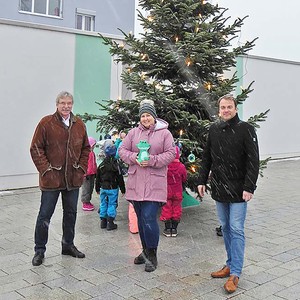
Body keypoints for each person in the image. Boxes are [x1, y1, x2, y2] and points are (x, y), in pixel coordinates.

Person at [197, 94, 259, 294]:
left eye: (229, 107)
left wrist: (249, 187)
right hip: (219, 188)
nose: (225, 110)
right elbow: (207, 157)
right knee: (225, 227)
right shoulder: (214, 130)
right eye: (222, 107)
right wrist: (201, 180)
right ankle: (229, 264)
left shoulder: (246, 129)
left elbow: (253, 161)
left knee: (236, 228)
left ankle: (236, 273)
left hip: (240, 190)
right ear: (219, 109)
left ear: (235, 108)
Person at [30, 91, 90, 266]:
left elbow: (86, 148)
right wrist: (46, 170)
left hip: (73, 179)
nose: (66, 106)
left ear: (72, 104)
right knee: (44, 216)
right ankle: (39, 250)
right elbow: (35, 148)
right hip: (52, 180)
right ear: (57, 104)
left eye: (69, 103)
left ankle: (68, 245)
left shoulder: (79, 124)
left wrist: (81, 168)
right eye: (63, 103)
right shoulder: (46, 123)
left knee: (71, 214)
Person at [118, 99, 176, 272]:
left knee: (149, 219)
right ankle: (144, 251)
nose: (145, 118)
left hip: (154, 183)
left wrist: (152, 160)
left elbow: (171, 153)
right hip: (136, 184)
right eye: (143, 116)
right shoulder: (133, 133)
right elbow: (122, 150)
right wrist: (134, 158)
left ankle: (153, 254)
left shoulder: (165, 134)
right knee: (142, 220)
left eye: (148, 115)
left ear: (154, 116)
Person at [95, 144, 126, 230]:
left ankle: (103, 222)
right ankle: (110, 222)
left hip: (103, 188)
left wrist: (97, 188)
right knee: (112, 204)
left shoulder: (101, 165)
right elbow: (120, 178)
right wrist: (123, 189)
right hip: (113, 188)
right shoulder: (117, 165)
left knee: (103, 203)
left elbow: (97, 178)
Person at [160, 146, 187, 237]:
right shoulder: (181, 167)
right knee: (177, 208)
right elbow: (184, 178)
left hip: (167, 191)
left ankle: (167, 229)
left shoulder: (165, 166)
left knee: (166, 208)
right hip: (177, 191)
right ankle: (174, 228)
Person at [81, 137, 97, 211]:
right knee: (86, 188)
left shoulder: (92, 153)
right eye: (93, 145)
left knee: (90, 188)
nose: (94, 147)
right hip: (86, 175)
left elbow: (94, 163)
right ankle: (85, 202)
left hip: (92, 174)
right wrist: (85, 173)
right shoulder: (86, 154)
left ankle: (88, 201)